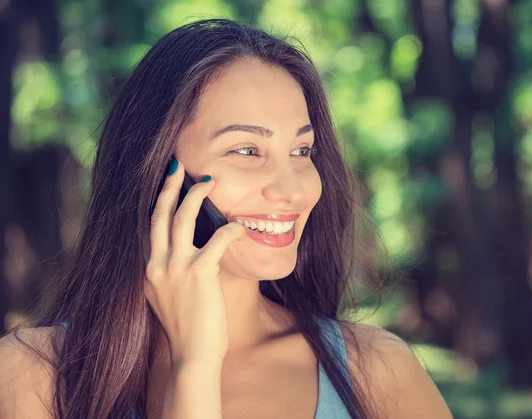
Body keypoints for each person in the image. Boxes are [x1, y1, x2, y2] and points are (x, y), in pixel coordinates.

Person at [0, 18, 453, 419]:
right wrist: (193, 365)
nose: (293, 190)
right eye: (246, 150)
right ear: (157, 169)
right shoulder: (33, 375)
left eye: (301, 151)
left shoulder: (377, 369)